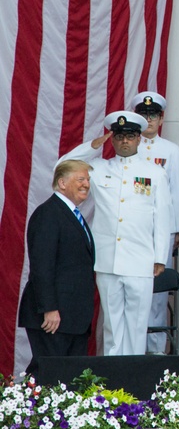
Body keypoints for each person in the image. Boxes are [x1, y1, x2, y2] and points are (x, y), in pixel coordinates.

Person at [59, 111, 171, 356]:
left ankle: (133, 379)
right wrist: (93, 145)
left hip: (141, 259)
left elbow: (163, 217)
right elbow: (63, 167)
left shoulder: (155, 173)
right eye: (119, 136)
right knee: (111, 325)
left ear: (139, 139)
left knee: (136, 325)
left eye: (130, 136)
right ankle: (112, 382)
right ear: (113, 139)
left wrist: (160, 256)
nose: (124, 141)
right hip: (108, 259)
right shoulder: (99, 169)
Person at [18, 160, 96, 374]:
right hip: (54, 317)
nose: (86, 184)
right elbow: (42, 266)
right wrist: (49, 308)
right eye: (80, 179)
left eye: (87, 180)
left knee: (70, 377)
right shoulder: (49, 214)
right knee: (50, 375)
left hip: (73, 318)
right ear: (62, 182)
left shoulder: (71, 214)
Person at [130, 91, 179, 354]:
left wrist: (178, 229)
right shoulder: (130, 146)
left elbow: (176, 192)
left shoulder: (171, 150)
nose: (148, 120)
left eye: (153, 115)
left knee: (157, 296)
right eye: (144, 115)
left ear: (161, 119)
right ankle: (134, 349)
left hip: (161, 230)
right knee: (132, 293)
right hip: (134, 229)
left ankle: (155, 353)